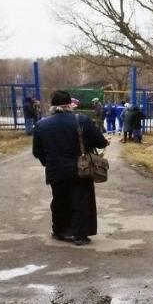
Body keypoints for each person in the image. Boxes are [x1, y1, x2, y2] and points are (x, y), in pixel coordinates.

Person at [32, 90, 108, 245]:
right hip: (81, 168)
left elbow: (37, 151)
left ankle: (60, 231)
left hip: (56, 170)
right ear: (69, 104)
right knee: (81, 200)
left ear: (52, 106)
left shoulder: (41, 125)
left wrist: (49, 161)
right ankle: (80, 236)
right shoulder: (82, 120)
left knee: (59, 200)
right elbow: (100, 142)